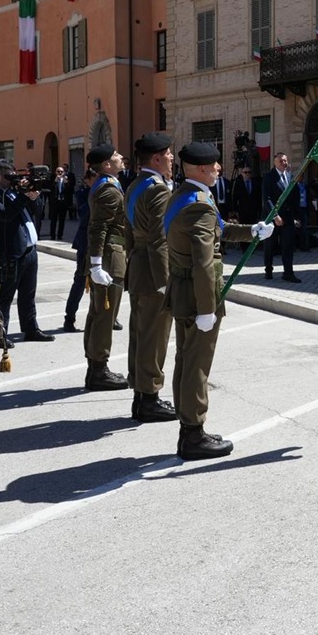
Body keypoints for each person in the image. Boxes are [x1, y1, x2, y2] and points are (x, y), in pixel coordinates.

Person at [165, 142, 274, 459]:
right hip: (198, 294)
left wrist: (252, 231)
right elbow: (202, 262)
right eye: (214, 165)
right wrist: (206, 309)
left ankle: (188, 427)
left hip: (184, 290)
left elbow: (220, 230)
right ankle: (193, 435)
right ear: (201, 169)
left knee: (186, 360)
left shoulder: (187, 196)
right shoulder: (198, 205)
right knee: (196, 364)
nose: (218, 169)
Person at [125, 133, 178, 423]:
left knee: (140, 334)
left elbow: (128, 231)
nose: (171, 158)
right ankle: (149, 398)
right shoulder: (157, 190)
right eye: (168, 154)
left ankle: (141, 395)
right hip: (153, 272)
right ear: (156, 159)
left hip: (138, 267)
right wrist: (165, 282)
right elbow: (160, 240)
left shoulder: (135, 184)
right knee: (154, 337)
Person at [0, 160, 55, 345]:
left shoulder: (13, 193)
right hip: (10, 253)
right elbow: (5, 215)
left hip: (29, 250)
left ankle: (31, 329)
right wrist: (23, 195)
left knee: (28, 294)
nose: (12, 180)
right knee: (5, 297)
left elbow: (37, 212)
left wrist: (32, 195)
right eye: (8, 177)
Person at [83, 143, 132, 390]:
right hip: (110, 258)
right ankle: (98, 370)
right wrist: (96, 264)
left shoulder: (106, 184)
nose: (121, 157)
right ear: (106, 164)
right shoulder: (109, 190)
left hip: (108, 256)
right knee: (105, 315)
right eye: (116, 156)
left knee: (99, 314)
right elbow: (98, 228)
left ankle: (95, 367)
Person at [63, 167, 96, 331]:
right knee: (80, 281)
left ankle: (109, 317)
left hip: (101, 243)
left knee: (105, 282)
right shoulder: (83, 194)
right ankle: (69, 318)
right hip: (85, 243)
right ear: (87, 180)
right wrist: (94, 197)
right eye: (94, 179)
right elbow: (83, 215)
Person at [263, 151, 302, 283]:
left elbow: (295, 198)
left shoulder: (290, 177)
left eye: (285, 160)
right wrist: (275, 216)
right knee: (270, 245)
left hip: (288, 218)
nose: (283, 163)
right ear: (275, 163)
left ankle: (288, 273)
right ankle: (268, 270)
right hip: (273, 217)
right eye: (281, 161)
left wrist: (297, 217)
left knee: (288, 246)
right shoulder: (269, 177)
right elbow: (267, 199)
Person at [49, 165, 74, 240]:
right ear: (55, 172)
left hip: (63, 202)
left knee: (62, 220)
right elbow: (50, 188)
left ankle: (60, 235)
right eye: (58, 171)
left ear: (64, 173)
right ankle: (52, 235)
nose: (60, 173)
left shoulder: (66, 180)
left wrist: (66, 183)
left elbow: (70, 190)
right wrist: (55, 181)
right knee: (53, 220)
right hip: (55, 202)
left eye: (61, 172)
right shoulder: (53, 179)